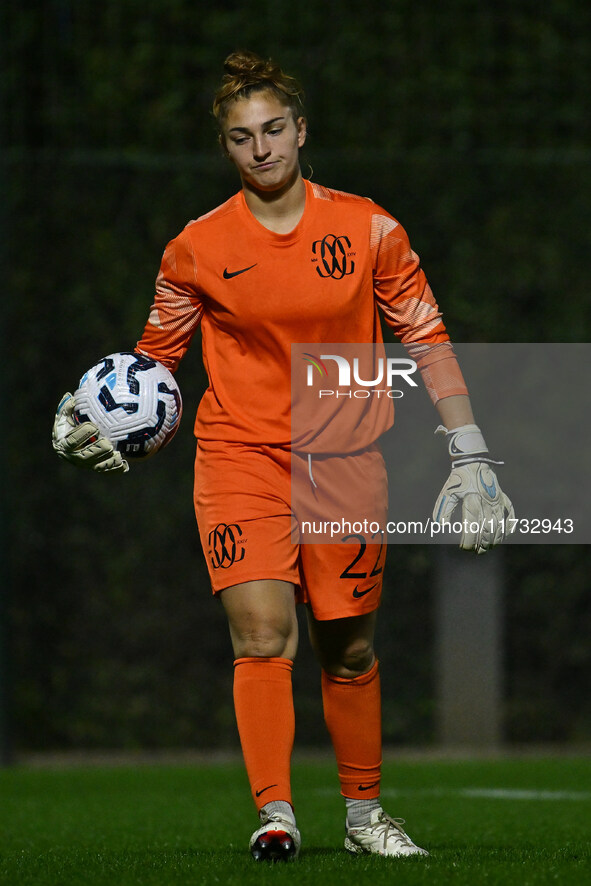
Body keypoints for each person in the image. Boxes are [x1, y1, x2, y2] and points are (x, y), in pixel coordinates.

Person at [52, 50, 514, 861]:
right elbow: (154, 360)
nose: (260, 148)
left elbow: (424, 336)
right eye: (240, 137)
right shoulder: (194, 247)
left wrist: (468, 448)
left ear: (302, 131)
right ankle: (276, 813)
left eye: (273, 130)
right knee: (262, 636)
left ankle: (365, 817)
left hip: (345, 462)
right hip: (239, 457)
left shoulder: (370, 229)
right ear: (225, 149)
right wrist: (105, 415)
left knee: (350, 647)